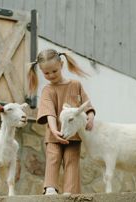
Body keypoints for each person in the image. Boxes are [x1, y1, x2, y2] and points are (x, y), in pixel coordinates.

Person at [27, 49, 96, 195]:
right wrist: (54, 131)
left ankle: (70, 193)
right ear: (40, 71)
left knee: (72, 161)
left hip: (73, 135)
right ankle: (50, 188)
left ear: (61, 65)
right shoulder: (47, 90)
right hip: (54, 135)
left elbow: (87, 104)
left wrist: (90, 116)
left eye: (54, 71)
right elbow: (49, 113)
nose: (51, 75)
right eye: (46, 73)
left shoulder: (76, 85)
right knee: (53, 157)